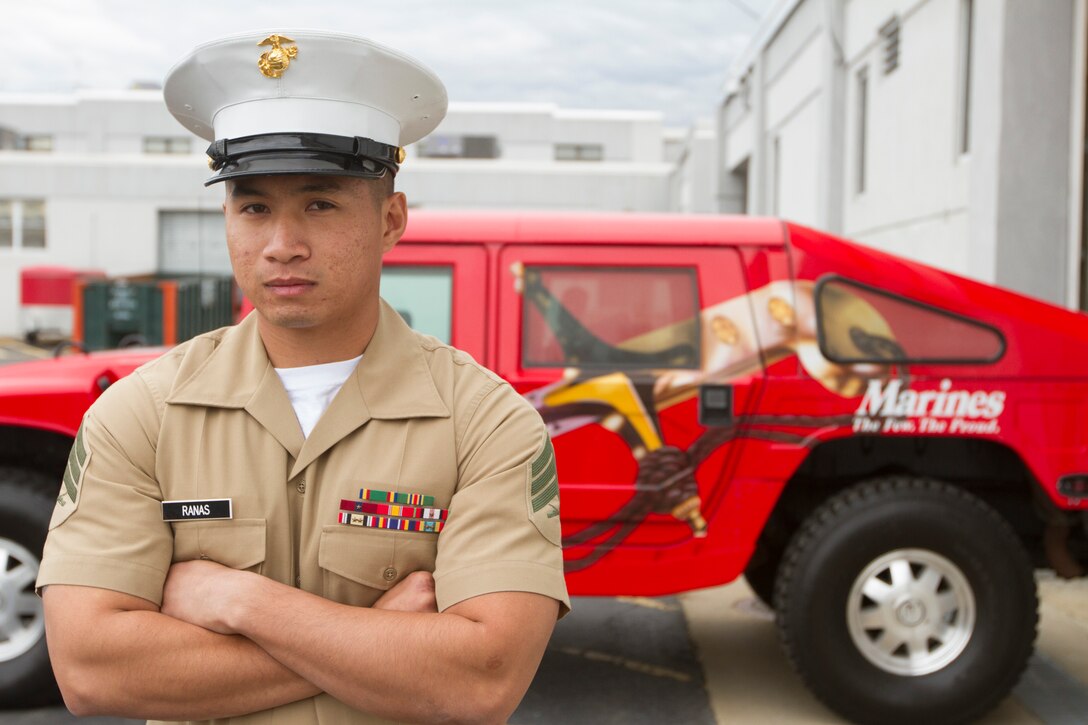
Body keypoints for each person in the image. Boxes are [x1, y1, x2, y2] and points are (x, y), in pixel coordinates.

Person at [36, 30, 569, 725]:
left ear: (391, 218)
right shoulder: (142, 412)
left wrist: (241, 603)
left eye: (320, 204)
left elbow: (479, 680)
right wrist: (379, 637)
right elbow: (90, 667)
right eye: (253, 207)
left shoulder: (486, 423)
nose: (282, 244)